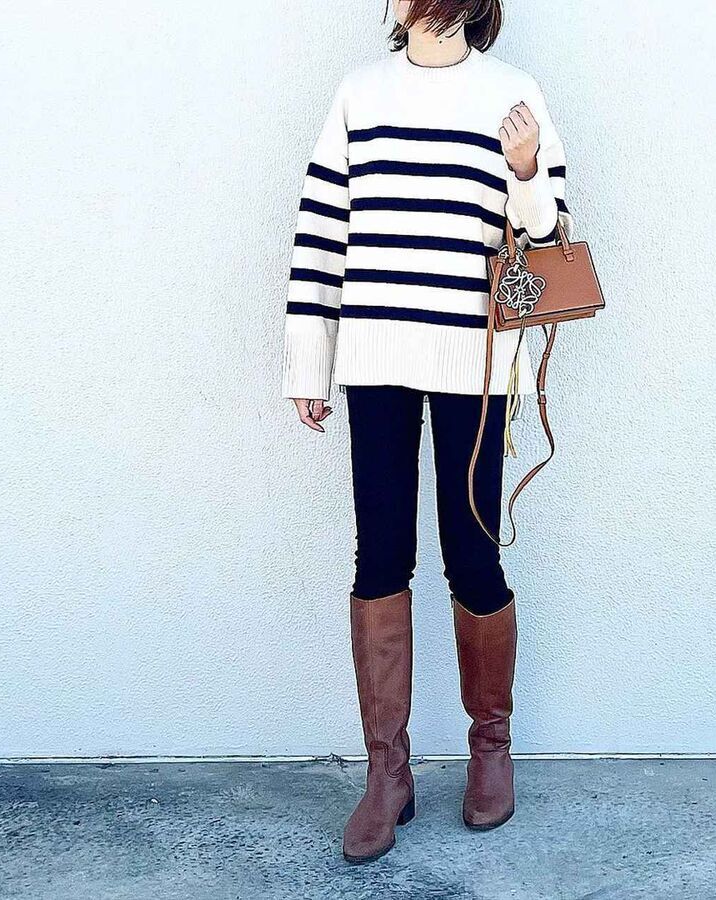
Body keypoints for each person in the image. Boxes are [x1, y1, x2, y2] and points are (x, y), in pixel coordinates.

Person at [280, 0, 573, 865]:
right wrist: (309, 360)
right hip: (375, 356)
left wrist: (525, 168)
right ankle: (387, 772)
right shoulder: (359, 94)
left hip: (475, 362)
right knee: (379, 556)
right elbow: (321, 233)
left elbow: (547, 235)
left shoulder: (512, 93)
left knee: (472, 553)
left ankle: (491, 749)